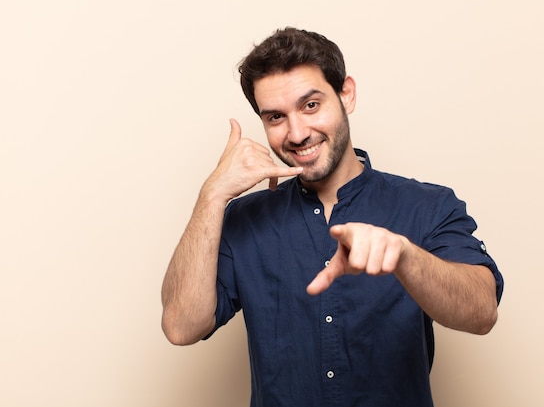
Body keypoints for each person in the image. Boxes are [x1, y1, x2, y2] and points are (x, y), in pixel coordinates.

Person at [161, 27, 504, 407]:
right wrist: (212, 194)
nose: (297, 133)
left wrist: (406, 257)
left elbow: (482, 312)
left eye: (311, 106)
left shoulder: (428, 206)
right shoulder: (243, 219)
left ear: (346, 95)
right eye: (276, 116)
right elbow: (181, 326)